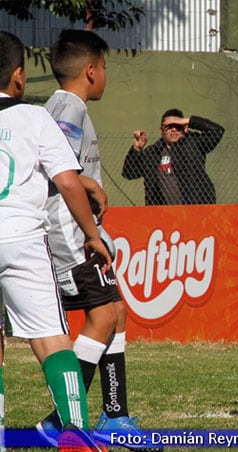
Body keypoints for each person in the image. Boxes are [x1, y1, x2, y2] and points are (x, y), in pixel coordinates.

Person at [35, 29, 162, 451]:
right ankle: (60, 421)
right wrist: (90, 184)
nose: (106, 76)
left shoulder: (62, 104)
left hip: (81, 231)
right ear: (91, 70)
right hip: (69, 235)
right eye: (105, 68)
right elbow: (57, 168)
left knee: (117, 312)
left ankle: (115, 415)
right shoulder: (68, 108)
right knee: (104, 317)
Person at [0, 30, 111, 451]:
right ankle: (76, 431)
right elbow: (66, 181)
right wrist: (92, 234)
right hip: (23, 238)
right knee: (51, 339)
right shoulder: (33, 117)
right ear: (19, 77)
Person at [121, 109, 224, 205]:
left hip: (194, 209)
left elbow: (218, 131)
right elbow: (129, 173)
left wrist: (189, 120)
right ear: (161, 131)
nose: (174, 129)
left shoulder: (194, 143)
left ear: (185, 128)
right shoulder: (153, 152)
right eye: (169, 127)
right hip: (163, 213)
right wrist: (136, 149)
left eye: (177, 126)